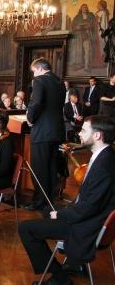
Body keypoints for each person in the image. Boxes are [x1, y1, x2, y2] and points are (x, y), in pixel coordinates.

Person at [19, 115, 115, 285]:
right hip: (89, 215)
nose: (79, 133)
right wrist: (60, 211)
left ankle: (60, 278)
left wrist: (62, 215)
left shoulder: (105, 165)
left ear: (97, 135)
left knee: (26, 229)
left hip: (87, 224)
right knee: (48, 210)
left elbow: (88, 208)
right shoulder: (106, 156)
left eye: (84, 130)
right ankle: (74, 263)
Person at [26, 58, 65, 211]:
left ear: (40, 69)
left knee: (39, 168)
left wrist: (30, 118)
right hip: (56, 131)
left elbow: (36, 103)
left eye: (34, 71)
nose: (34, 75)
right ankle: (49, 199)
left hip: (42, 131)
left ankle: (39, 202)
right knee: (51, 166)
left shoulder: (39, 81)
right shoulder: (60, 82)